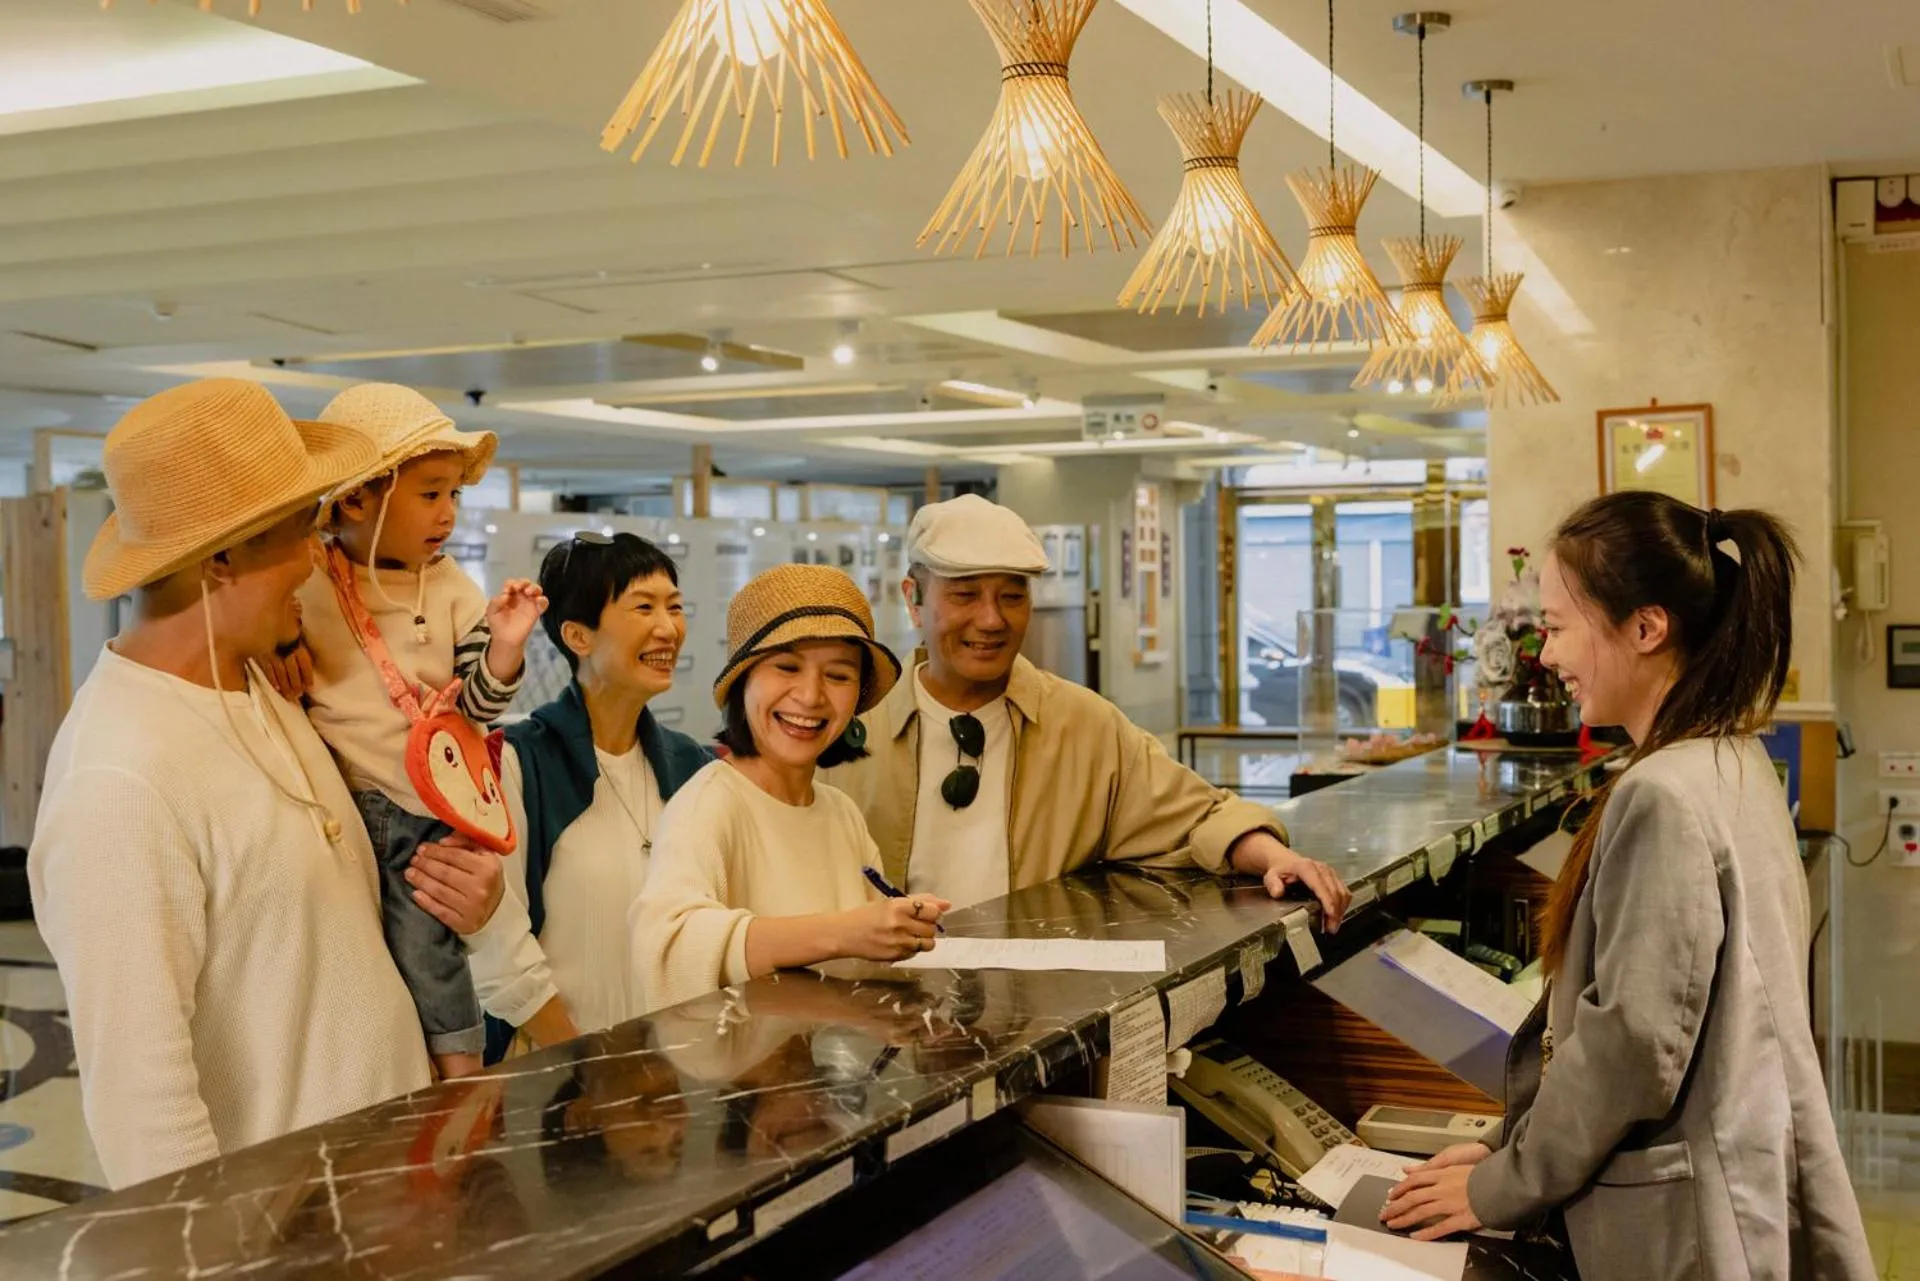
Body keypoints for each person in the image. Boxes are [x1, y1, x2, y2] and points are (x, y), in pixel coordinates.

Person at [1380, 493, 1874, 1280]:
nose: (1543, 655)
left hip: (1683, 1225)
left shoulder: (1663, 794)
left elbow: (1631, 1048)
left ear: (1646, 628)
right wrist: (1508, 1141)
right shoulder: (1731, 757)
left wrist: (1501, 1184)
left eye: (1559, 626)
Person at [28, 379, 501, 1189]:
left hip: (385, 1202)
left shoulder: (272, 692)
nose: (322, 558)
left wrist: (467, 903)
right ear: (220, 558)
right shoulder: (116, 778)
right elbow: (144, 1103)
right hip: (283, 1236)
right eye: (300, 533)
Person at [823, 494, 1350, 923]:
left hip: (1035, 1008)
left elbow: (1202, 815)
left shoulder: (1082, 725)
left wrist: (1277, 858)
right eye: (964, 596)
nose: (991, 620)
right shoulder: (851, 728)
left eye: (1012, 596)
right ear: (914, 598)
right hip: (882, 1006)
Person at [291, 383, 545, 1082]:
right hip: (344, 801)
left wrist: (506, 649)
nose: (448, 513)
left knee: (429, 940)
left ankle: (459, 1075)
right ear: (355, 498)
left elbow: (479, 708)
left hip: (424, 803)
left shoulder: (454, 585)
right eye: (431, 493)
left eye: (454, 495)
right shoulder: (305, 571)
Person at [631, 564, 949, 1012]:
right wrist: (844, 931)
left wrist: (900, 925)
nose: (811, 696)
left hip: (829, 1075)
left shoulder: (840, 811)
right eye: (787, 667)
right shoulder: (709, 805)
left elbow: (862, 961)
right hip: (737, 1080)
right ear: (742, 680)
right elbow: (667, 949)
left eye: (838, 675)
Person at [464, 531, 712, 1062]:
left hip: (676, 1071)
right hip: (555, 1077)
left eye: (675, 606)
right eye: (643, 607)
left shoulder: (694, 767)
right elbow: (495, 943)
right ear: (578, 635)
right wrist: (580, 1058)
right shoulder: (519, 761)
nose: (668, 628)